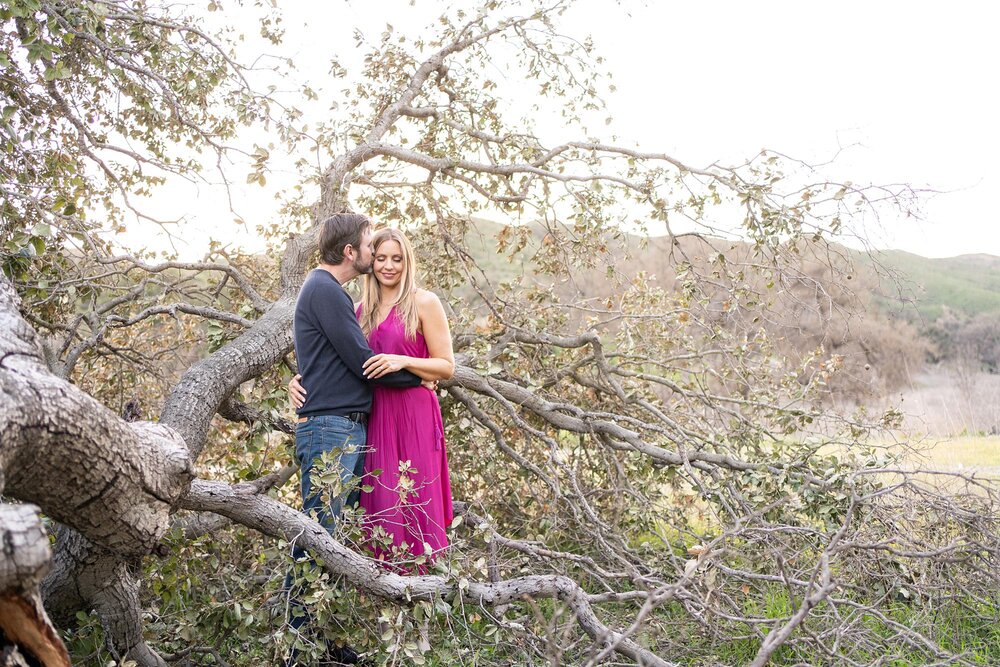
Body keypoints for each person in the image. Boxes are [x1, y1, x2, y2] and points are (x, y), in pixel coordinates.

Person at [287, 213, 423, 666]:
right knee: (319, 534)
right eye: (370, 246)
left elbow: (325, 358)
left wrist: (300, 378)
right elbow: (363, 360)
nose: (374, 253)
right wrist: (417, 380)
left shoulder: (330, 293)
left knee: (335, 536)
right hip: (329, 429)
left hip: (339, 425)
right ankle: (297, 647)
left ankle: (321, 640)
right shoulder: (325, 290)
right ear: (351, 253)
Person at [290, 227, 455, 570]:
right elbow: (337, 356)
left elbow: (446, 366)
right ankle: (382, 593)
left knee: (416, 499)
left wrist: (406, 362)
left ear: (407, 262)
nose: (388, 266)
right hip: (374, 415)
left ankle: (424, 591)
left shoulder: (424, 302)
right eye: (380, 258)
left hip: (414, 414)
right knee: (379, 505)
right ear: (369, 259)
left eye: (396, 259)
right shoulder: (359, 309)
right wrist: (301, 379)